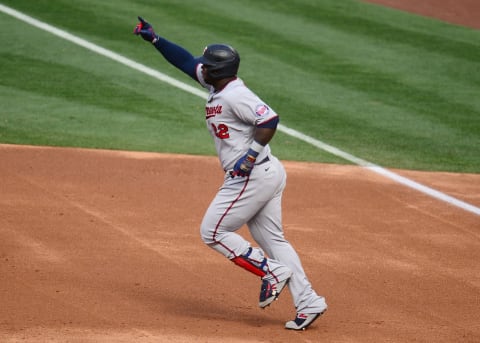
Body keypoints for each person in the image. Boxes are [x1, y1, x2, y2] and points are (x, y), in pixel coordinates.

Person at [134, 16, 327, 330]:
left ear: (219, 71)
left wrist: (248, 158)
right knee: (274, 241)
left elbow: (269, 120)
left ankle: (273, 272)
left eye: (208, 64)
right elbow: (184, 61)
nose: (202, 66)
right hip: (268, 173)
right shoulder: (217, 82)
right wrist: (156, 40)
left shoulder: (236, 95)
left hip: (251, 176)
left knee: (212, 232)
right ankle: (308, 301)